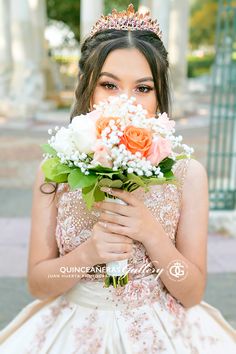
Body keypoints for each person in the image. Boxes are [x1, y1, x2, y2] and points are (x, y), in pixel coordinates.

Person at [0, 4, 235, 354]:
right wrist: (89, 254)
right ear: (88, 89)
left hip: (161, 329)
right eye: (109, 84)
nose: (125, 100)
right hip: (74, 326)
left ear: (159, 97)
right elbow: (39, 284)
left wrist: (153, 237)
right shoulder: (54, 171)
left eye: (143, 88)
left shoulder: (188, 175)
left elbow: (191, 292)